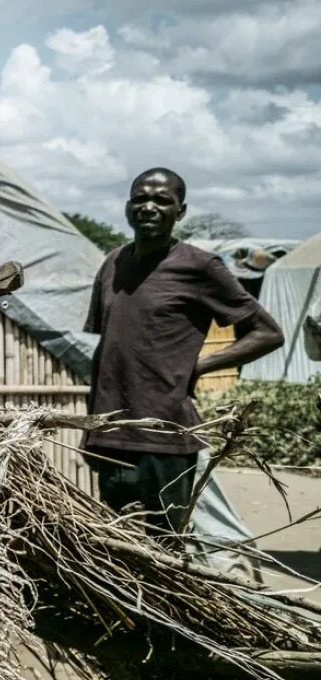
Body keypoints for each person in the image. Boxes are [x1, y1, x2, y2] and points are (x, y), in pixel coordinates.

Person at [83, 168, 283, 539]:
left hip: (165, 436)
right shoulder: (113, 264)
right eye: (140, 198)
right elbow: (108, 349)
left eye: (162, 200)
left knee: (164, 546)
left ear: (181, 211)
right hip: (111, 432)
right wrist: (91, 427)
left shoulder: (199, 266)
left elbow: (268, 333)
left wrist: (201, 365)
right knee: (113, 543)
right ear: (128, 208)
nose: (149, 207)